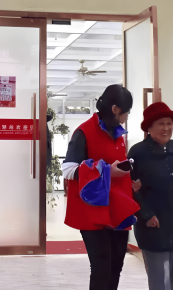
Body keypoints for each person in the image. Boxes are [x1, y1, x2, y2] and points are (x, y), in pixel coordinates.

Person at [62, 84, 140, 290]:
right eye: (126, 112)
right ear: (115, 109)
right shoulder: (84, 132)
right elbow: (68, 169)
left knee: (116, 266)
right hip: (92, 212)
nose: (126, 117)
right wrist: (106, 171)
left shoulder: (117, 134)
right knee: (101, 268)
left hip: (117, 209)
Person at [128, 102, 173, 290]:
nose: (166, 128)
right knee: (159, 281)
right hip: (154, 224)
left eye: (169, 123)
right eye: (161, 123)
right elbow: (131, 189)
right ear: (149, 127)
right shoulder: (137, 153)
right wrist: (146, 215)